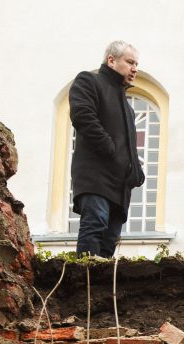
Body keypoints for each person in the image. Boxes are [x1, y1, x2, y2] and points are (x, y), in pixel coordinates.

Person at [69, 40, 145, 258]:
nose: (135, 69)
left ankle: (99, 288)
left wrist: (135, 172)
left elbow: (129, 146)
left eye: (136, 64)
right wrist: (110, 149)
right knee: (95, 225)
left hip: (120, 186)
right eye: (130, 62)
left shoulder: (128, 108)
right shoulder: (89, 81)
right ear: (111, 60)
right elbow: (83, 117)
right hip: (96, 175)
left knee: (109, 239)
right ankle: (86, 282)